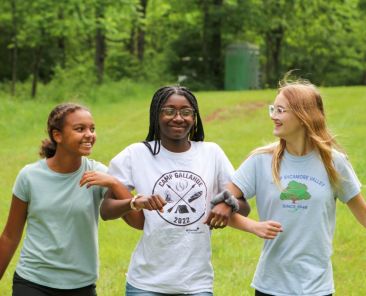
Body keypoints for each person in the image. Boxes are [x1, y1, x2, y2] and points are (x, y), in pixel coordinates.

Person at [100, 85, 282, 296]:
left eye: (186, 112)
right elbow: (106, 210)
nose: (178, 118)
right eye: (169, 111)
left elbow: (242, 208)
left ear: (194, 117)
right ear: (156, 114)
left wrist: (226, 203)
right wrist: (134, 203)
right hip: (146, 283)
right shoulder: (136, 155)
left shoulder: (211, 153)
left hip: (196, 284)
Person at [213, 79, 366, 296]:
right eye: (273, 109)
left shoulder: (334, 162)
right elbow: (220, 205)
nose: (274, 116)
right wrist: (254, 227)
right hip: (271, 286)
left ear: (304, 116)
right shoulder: (261, 160)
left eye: (280, 110)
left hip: (317, 287)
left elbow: (363, 214)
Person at [0, 103, 162, 296]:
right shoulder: (29, 176)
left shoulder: (99, 174)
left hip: (81, 285)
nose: (89, 134)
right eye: (80, 129)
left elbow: (137, 222)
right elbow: (10, 236)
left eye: (92, 129)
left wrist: (114, 183)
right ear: (57, 135)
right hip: (33, 281)